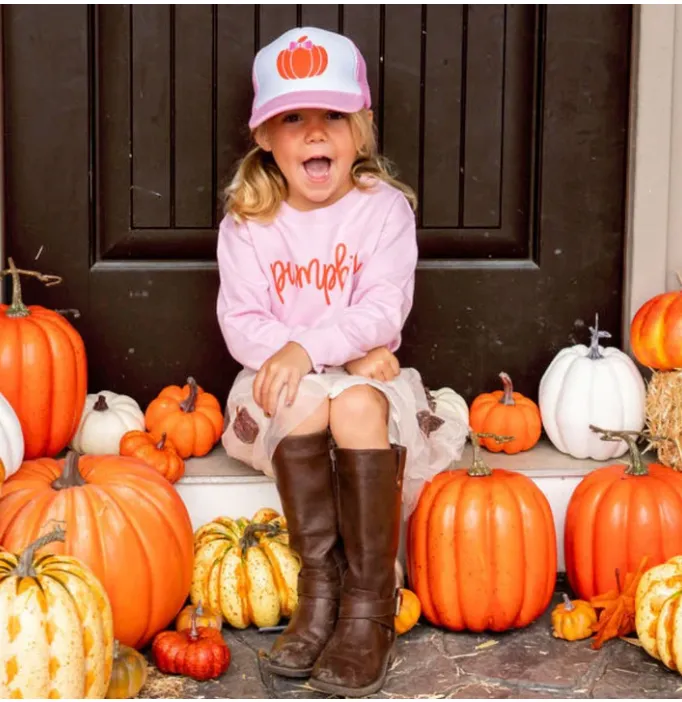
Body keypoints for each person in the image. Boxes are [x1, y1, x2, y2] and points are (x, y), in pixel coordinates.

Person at [216, 26, 467, 697]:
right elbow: (242, 326)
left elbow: (384, 311)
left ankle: (368, 606)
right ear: (264, 136)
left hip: (361, 381)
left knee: (356, 402)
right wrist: (324, 353)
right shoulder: (250, 220)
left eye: (332, 116)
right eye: (293, 118)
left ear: (361, 130)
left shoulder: (381, 211)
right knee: (301, 396)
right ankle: (319, 590)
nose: (314, 133)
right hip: (284, 379)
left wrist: (315, 347)